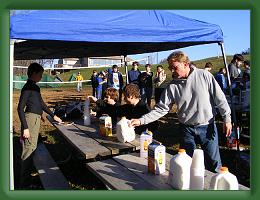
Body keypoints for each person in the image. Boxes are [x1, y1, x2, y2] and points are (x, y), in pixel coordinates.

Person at [130, 51, 232, 172]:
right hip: (186, 129)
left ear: (186, 64)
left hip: (207, 127)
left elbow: (220, 98)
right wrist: (141, 120)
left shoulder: (204, 76)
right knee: (186, 165)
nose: (172, 71)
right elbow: (161, 109)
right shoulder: (172, 86)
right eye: (170, 68)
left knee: (214, 164)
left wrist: (227, 118)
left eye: (175, 68)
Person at [17, 63, 62, 189]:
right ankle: (23, 185)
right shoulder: (27, 88)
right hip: (30, 121)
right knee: (28, 151)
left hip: (35, 119)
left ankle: (27, 180)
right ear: (34, 73)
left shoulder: (34, 87)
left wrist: (53, 116)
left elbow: (40, 103)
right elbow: (20, 108)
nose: (42, 77)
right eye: (41, 74)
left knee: (32, 148)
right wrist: (25, 127)